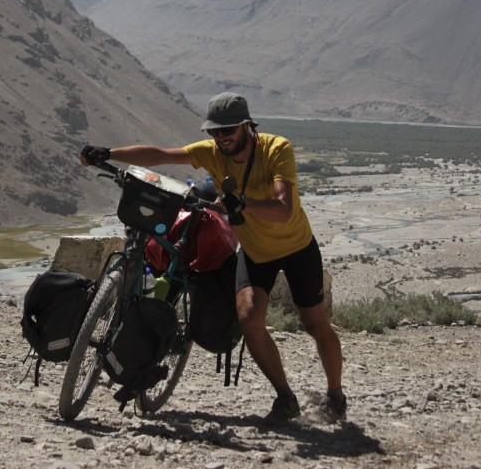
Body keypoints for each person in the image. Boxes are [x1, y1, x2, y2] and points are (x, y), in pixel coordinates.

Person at [80, 90, 346, 423]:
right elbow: (161, 155)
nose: (221, 138)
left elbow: (284, 209)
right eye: (215, 131)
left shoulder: (277, 149)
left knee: (314, 324)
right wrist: (109, 153)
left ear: (247, 126)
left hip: (296, 249)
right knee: (249, 318)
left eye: (228, 130)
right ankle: (285, 397)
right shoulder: (212, 152)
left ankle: (336, 396)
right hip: (255, 253)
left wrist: (244, 204)